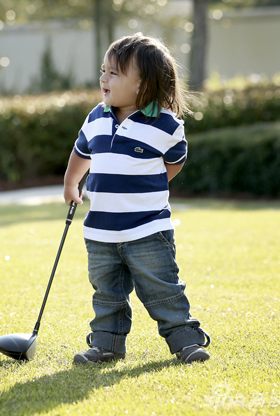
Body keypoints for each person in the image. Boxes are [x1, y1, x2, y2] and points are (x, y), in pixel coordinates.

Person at [62, 33, 210, 366]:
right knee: (107, 295)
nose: (103, 78)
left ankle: (186, 342)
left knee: (163, 289)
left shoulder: (166, 125)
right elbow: (81, 151)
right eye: (104, 70)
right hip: (100, 231)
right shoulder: (96, 117)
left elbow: (172, 163)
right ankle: (106, 345)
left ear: (143, 84)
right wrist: (72, 183)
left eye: (114, 73)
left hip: (148, 230)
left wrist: (148, 185)